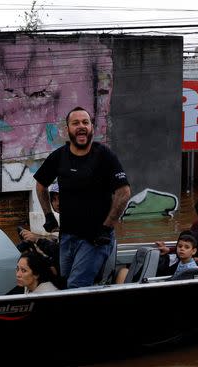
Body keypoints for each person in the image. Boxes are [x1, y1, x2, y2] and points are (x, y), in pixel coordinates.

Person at [33, 106, 131, 288]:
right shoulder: (59, 156)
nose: (81, 126)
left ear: (92, 127)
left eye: (85, 122)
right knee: (65, 284)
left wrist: (107, 227)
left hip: (95, 239)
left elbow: (124, 192)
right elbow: (40, 185)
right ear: (67, 129)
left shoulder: (104, 155)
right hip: (67, 237)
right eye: (75, 123)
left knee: (76, 286)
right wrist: (48, 216)